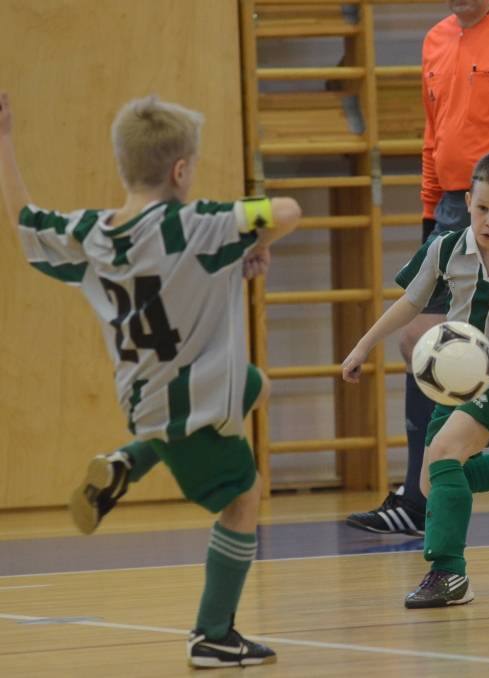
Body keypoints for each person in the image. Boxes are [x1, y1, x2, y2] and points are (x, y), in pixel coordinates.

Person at [0, 92, 301, 667]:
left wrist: (4, 140)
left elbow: (24, 223)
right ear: (180, 170)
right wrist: (253, 239)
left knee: (257, 386)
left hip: (145, 393)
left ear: (123, 165)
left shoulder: (93, 232)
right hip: (190, 402)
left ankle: (128, 461)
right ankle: (213, 634)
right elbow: (286, 211)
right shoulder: (197, 224)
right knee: (244, 497)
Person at [344, 0, 489, 539]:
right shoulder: (435, 39)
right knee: (421, 339)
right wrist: (432, 212)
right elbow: (436, 135)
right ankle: (419, 496)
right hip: (458, 207)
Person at [342, 152, 489, 606]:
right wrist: (363, 346)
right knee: (435, 481)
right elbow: (410, 303)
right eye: (482, 208)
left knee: (445, 455)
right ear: (467, 201)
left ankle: (449, 573)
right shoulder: (446, 248)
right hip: (451, 382)